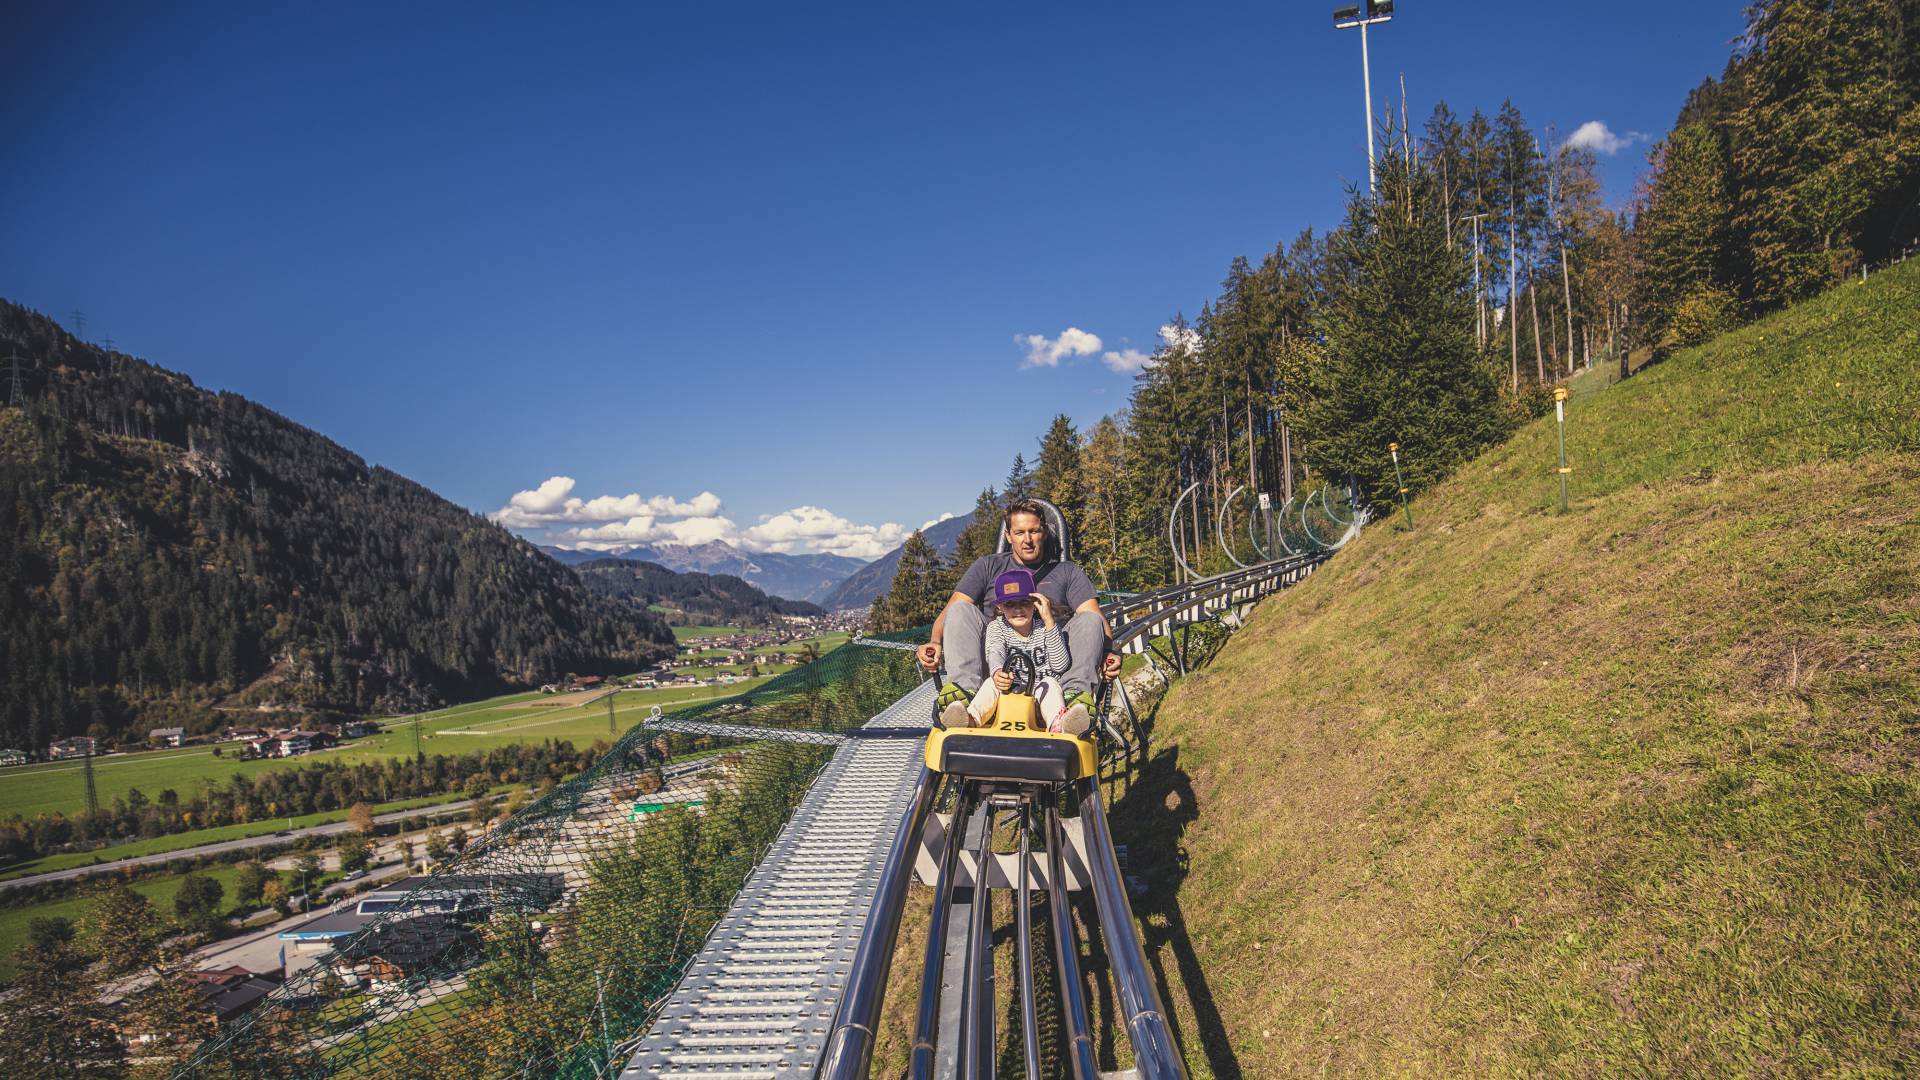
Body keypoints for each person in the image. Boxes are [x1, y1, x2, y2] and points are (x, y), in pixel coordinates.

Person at [917, 499, 1123, 733]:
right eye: (1020, 532)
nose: (1027, 539)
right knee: (961, 610)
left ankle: (1075, 701)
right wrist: (934, 642)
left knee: (1088, 619)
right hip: (995, 668)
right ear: (1008, 535)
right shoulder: (988, 567)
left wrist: (1110, 652)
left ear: (1044, 532)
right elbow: (951, 611)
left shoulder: (1067, 572)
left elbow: (1095, 617)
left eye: (1033, 531)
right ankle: (963, 698)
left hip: (1051, 667)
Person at [942, 568, 1080, 732]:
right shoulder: (997, 627)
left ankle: (1059, 725)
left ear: (1035, 604)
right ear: (1000, 607)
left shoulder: (1046, 629)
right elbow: (995, 651)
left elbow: (1060, 666)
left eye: (1024, 602)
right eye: (1010, 604)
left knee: (1050, 683)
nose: (1018, 609)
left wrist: (1049, 620)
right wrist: (997, 672)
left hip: (1039, 701)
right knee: (991, 683)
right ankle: (970, 719)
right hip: (1005, 696)